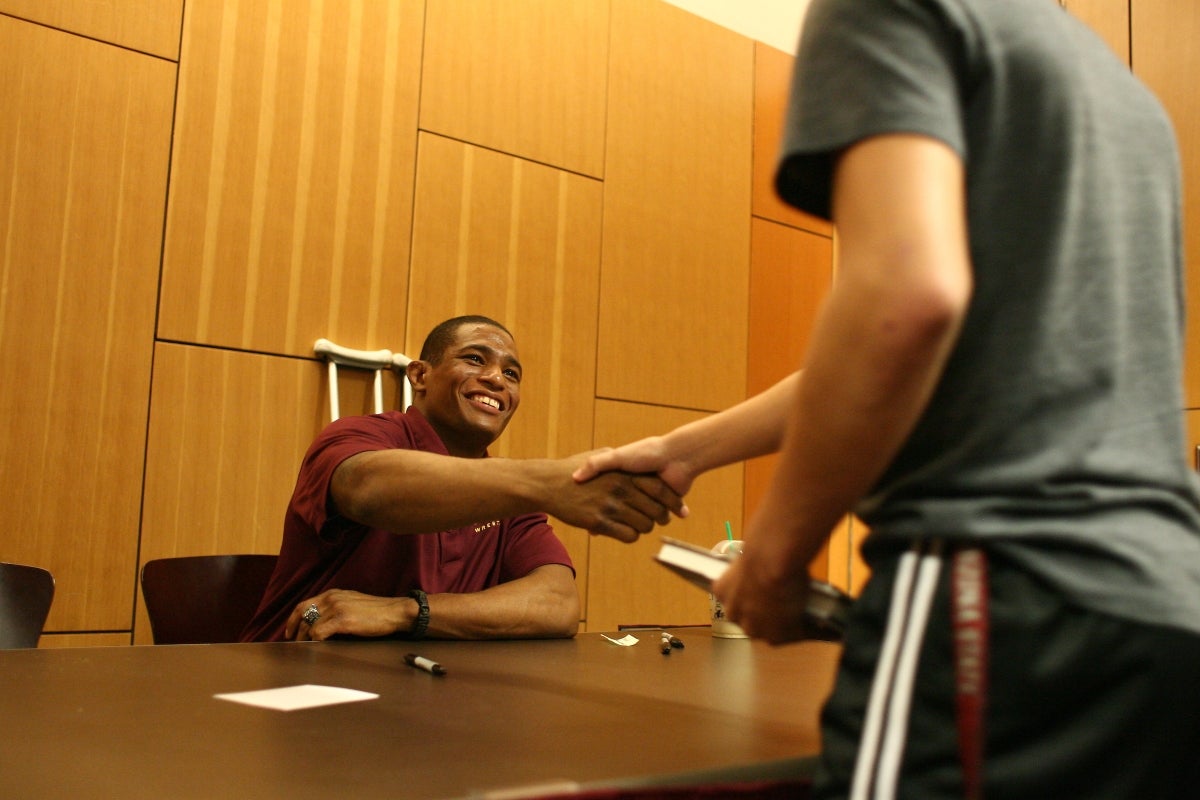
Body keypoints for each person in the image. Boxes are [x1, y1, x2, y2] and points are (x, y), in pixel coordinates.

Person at [575, 1, 1200, 798]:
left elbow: (902, 304)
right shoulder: (1114, 88)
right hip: (1166, 604)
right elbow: (950, 341)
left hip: (1001, 599)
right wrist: (686, 453)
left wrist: (771, 558)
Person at [241, 314, 682, 643]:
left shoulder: (512, 491)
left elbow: (558, 604)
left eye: (511, 374)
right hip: (293, 684)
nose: (495, 379)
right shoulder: (361, 435)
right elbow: (369, 491)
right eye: (475, 360)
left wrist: (408, 612)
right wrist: (549, 478)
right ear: (420, 376)